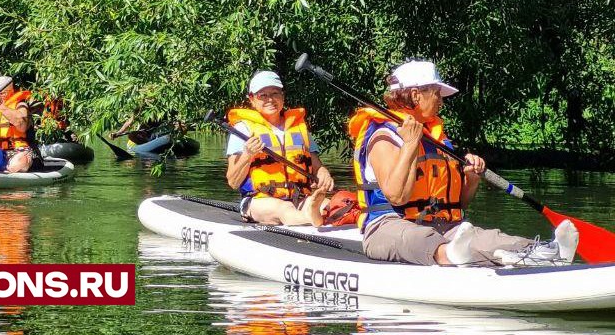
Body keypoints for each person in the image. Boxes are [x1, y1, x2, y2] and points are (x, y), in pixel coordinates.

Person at [349, 60, 578, 267]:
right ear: (416, 94)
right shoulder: (383, 137)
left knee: (491, 237)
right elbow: (397, 197)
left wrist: (471, 178)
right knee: (421, 239)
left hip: (445, 227)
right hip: (388, 228)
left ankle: (546, 251)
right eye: (437, 93)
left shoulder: (435, 138)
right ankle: (452, 254)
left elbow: (460, 204)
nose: (441, 100)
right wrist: (409, 145)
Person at [225, 70, 335, 226]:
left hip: (300, 198)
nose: (270, 99)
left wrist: (324, 173)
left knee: (331, 206)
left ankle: (316, 213)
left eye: (275, 93)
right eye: (263, 95)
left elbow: (317, 167)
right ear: (252, 99)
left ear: (282, 96)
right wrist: (247, 155)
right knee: (285, 208)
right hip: (259, 201)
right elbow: (233, 182)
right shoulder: (242, 130)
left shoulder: (298, 127)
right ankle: (312, 219)